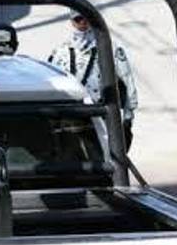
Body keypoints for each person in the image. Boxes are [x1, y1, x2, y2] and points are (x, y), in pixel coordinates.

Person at [48, 12, 139, 147]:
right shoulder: (61, 52)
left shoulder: (108, 47)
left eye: (86, 18)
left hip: (99, 115)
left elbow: (126, 80)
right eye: (78, 19)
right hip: (70, 118)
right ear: (72, 22)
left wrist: (128, 117)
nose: (83, 22)